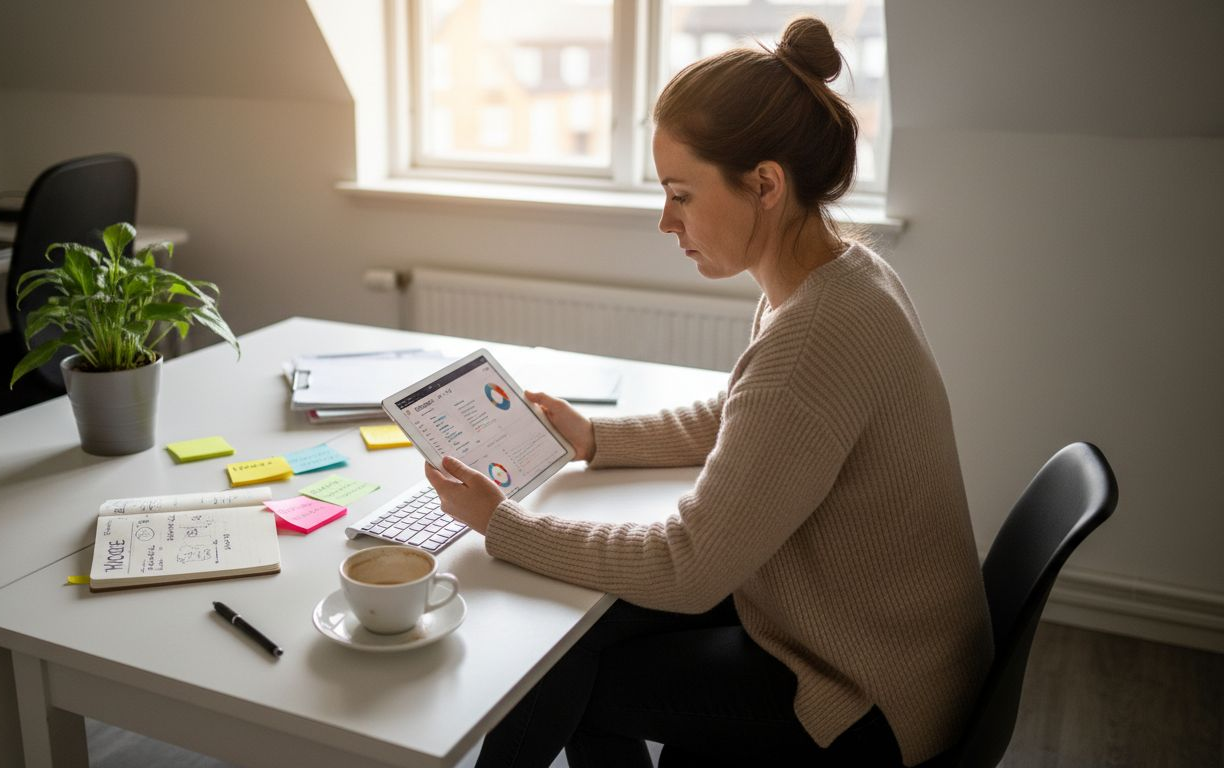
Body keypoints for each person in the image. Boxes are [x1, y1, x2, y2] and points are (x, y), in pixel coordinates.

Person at [424, 17, 993, 768]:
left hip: (861, 691)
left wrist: (503, 525)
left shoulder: (815, 335)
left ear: (764, 184)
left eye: (682, 195)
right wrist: (598, 439)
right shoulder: (840, 276)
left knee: (569, 673)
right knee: (582, 639)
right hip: (873, 637)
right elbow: (746, 414)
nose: (667, 221)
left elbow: (687, 569)